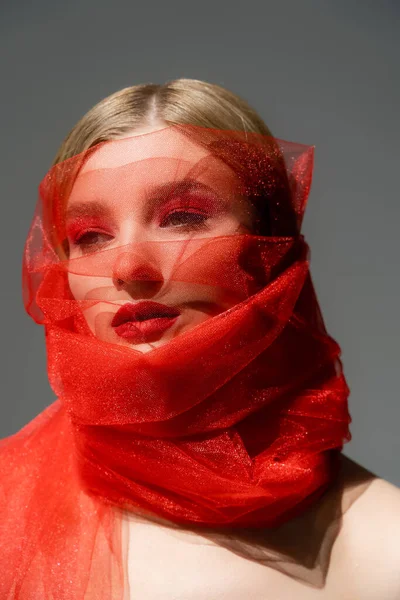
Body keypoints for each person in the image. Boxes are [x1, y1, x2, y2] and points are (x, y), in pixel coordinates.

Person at [1, 78, 400, 599]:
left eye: (183, 218)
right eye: (90, 236)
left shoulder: (385, 546)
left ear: (270, 245)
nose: (128, 268)